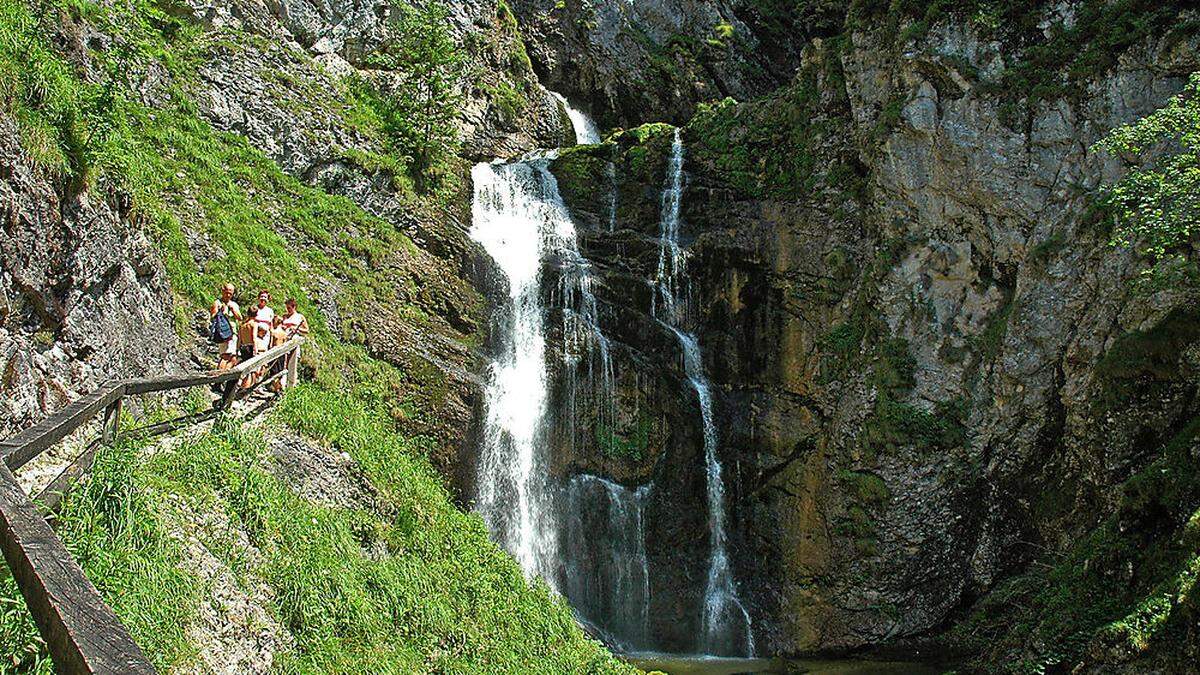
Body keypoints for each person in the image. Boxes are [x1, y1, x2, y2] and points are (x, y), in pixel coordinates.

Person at [210, 284, 242, 370]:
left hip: (234, 332)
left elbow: (240, 318)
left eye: (230, 294)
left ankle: (223, 377)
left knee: (233, 358)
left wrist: (233, 311)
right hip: (223, 332)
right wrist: (221, 311)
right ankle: (218, 378)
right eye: (226, 293)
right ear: (223, 291)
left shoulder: (234, 304)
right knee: (225, 356)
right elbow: (213, 317)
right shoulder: (217, 303)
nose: (228, 295)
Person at [237, 311, 259, 389]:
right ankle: (246, 388)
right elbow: (254, 337)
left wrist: (237, 348)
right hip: (250, 346)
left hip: (243, 347)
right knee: (250, 369)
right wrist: (255, 348)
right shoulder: (254, 324)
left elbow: (239, 338)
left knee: (245, 368)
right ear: (256, 314)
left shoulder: (243, 325)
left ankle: (244, 386)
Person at [268, 316, 290, 393]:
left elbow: (270, 345)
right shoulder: (284, 334)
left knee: (274, 371)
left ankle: (276, 388)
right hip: (282, 354)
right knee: (280, 370)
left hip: (274, 353)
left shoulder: (273, 333)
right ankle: (279, 387)